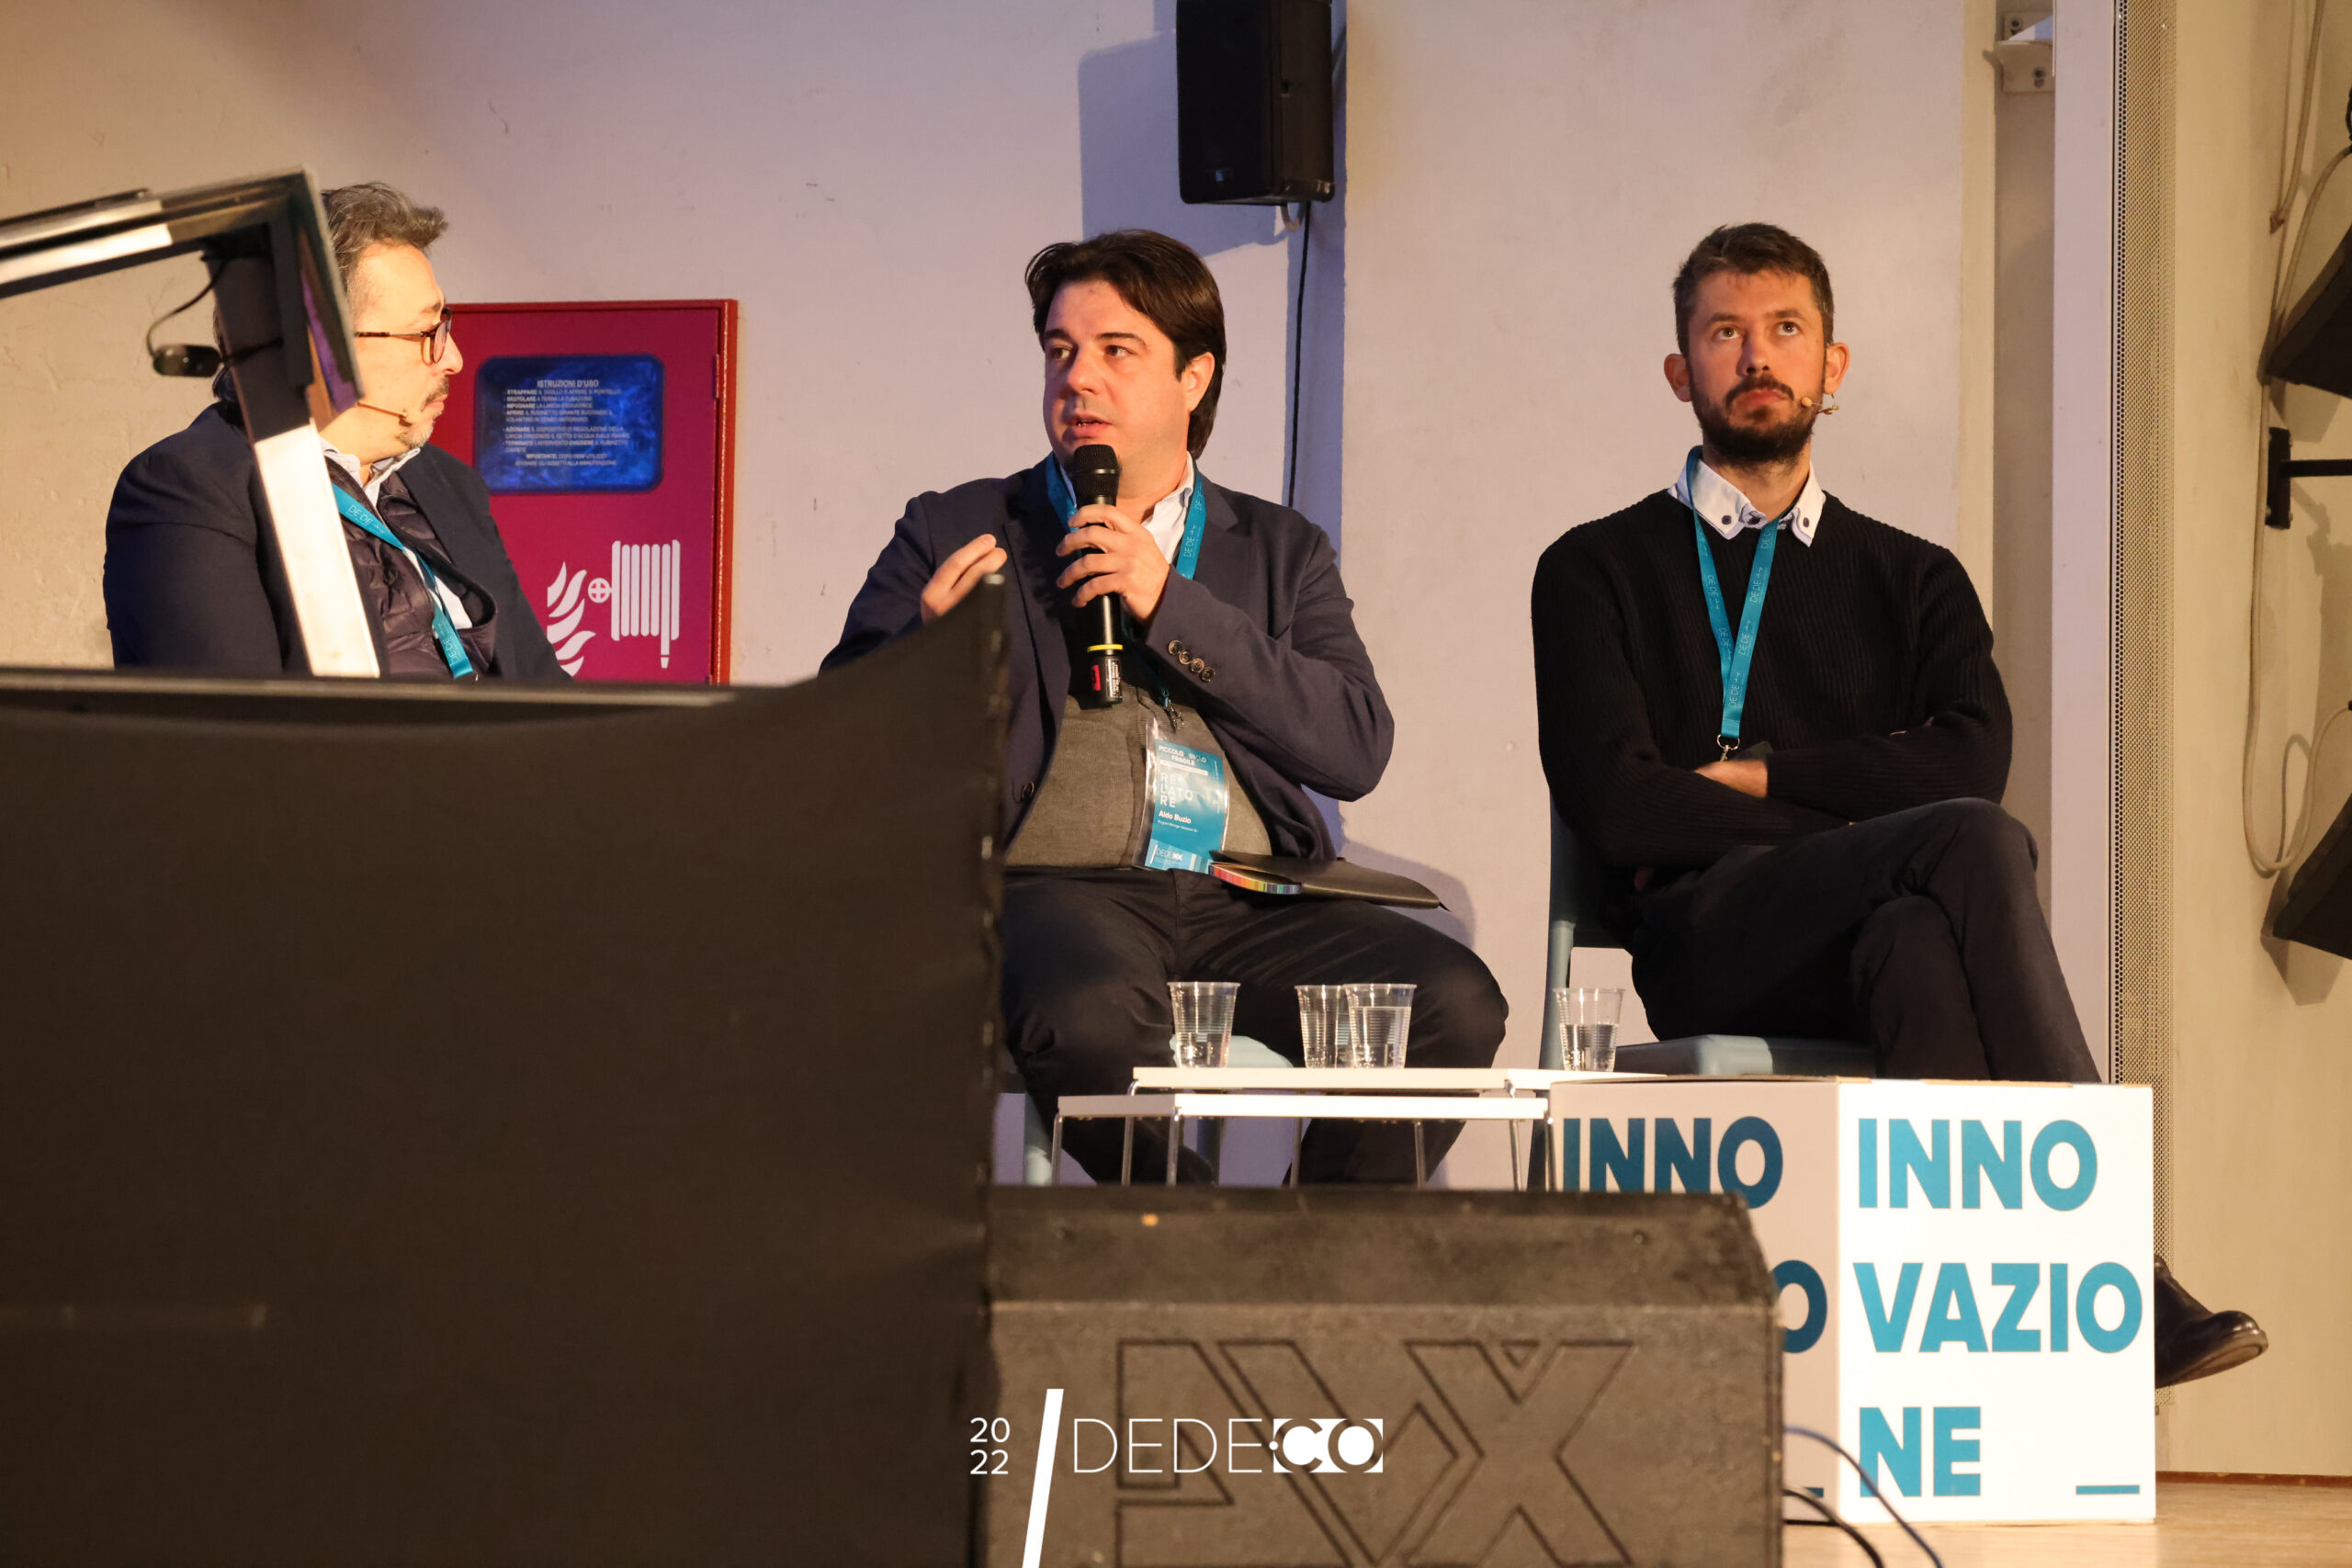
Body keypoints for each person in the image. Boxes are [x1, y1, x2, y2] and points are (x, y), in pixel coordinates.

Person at [1531, 221, 2264, 1388]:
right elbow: (1622, 812)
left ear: (1832, 366)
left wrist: (1761, 777)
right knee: (1961, 844)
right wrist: (1874, 820)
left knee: (1920, 934)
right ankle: (2122, 1266)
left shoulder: (1914, 577)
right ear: (1679, 372)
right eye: (1724, 333)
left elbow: (1973, 758)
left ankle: (1967, 1370)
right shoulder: (1593, 568)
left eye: (1785, 330)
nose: (1756, 355)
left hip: (1863, 933)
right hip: (1705, 934)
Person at [825, 229, 1505, 1184]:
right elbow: (836, 747)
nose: (1077, 379)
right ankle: (1188, 1237)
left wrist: (1168, 603)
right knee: (1089, 1013)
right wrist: (922, 658)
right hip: (1056, 894)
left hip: (1246, 898)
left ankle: (1317, 1246)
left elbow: (1354, 746)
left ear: (1195, 377)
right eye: (1060, 351)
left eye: (1116, 351)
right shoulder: (957, 526)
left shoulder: (1279, 550)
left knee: (1450, 1003)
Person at [105, 182, 562, 680]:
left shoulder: (449, 484)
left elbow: (545, 692)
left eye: (444, 326)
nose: (453, 358)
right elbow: (232, 721)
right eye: (426, 333)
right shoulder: (190, 489)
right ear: (320, 347)